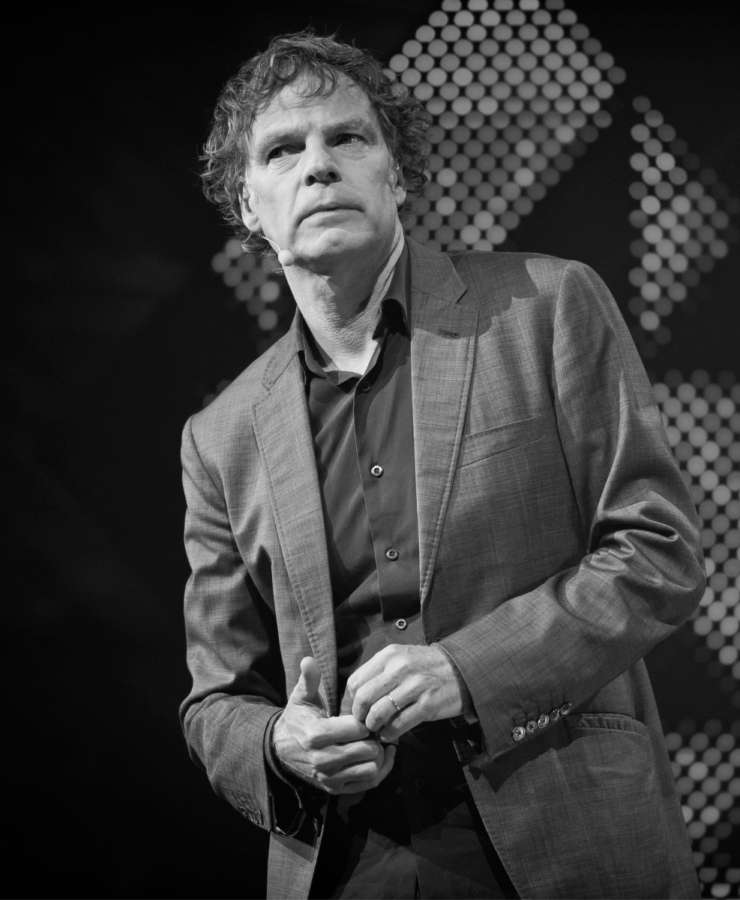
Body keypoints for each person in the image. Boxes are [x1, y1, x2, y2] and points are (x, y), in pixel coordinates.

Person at [180, 31, 705, 900]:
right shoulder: (220, 434)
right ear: (248, 203)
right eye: (282, 150)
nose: (318, 166)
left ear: (396, 173)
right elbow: (217, 702)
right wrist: (281, 744)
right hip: (348, 863)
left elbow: (658, 552)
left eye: (347, 138)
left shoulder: (545, 306)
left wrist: (467, 670)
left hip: (566, 839)